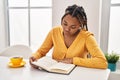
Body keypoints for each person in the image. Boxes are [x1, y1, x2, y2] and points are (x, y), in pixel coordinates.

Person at [29, 4, 108, 69]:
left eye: (73, 27)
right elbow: (41, 52)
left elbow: (102, 62)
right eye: (65, 23)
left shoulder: (87, 37)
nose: (67, 29)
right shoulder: (54, 32)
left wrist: (73, 60)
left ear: (80, 26)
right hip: (55, 75)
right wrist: (34, 57)